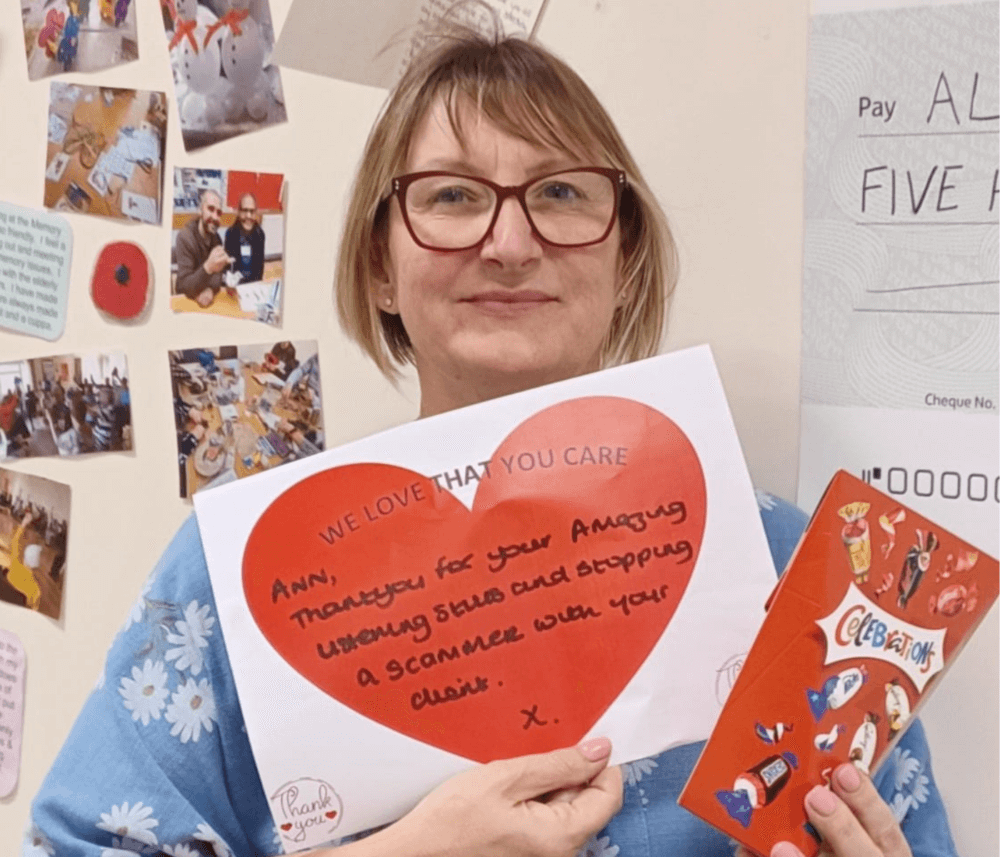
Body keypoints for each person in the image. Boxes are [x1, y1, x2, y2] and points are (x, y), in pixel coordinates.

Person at [27, 27, 956, 857]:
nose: (510, 241)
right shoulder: (243, 576)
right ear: (380, 267)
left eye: (558, 192)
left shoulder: (799, 579)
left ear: (624, 260)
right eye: (455, 196)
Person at [175, 188, 234, 308]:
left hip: (208, 301)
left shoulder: (216, 239)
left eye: (219, 213)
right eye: (211, 209)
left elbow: (217, 276)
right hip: (186, 302)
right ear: (200, 210)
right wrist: (208, 267)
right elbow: (183, 286)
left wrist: (210, 289)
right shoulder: (185, 237)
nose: (215, 217)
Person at [224, 192, 266, 283]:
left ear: (256, 212)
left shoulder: (260, 234)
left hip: (253, 285)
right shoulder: (230, 234)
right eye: (244, 210)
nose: (248, 216)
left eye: (252, 211)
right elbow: (227, 268)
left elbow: (259, 269)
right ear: (238, 212)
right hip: (236, 285)